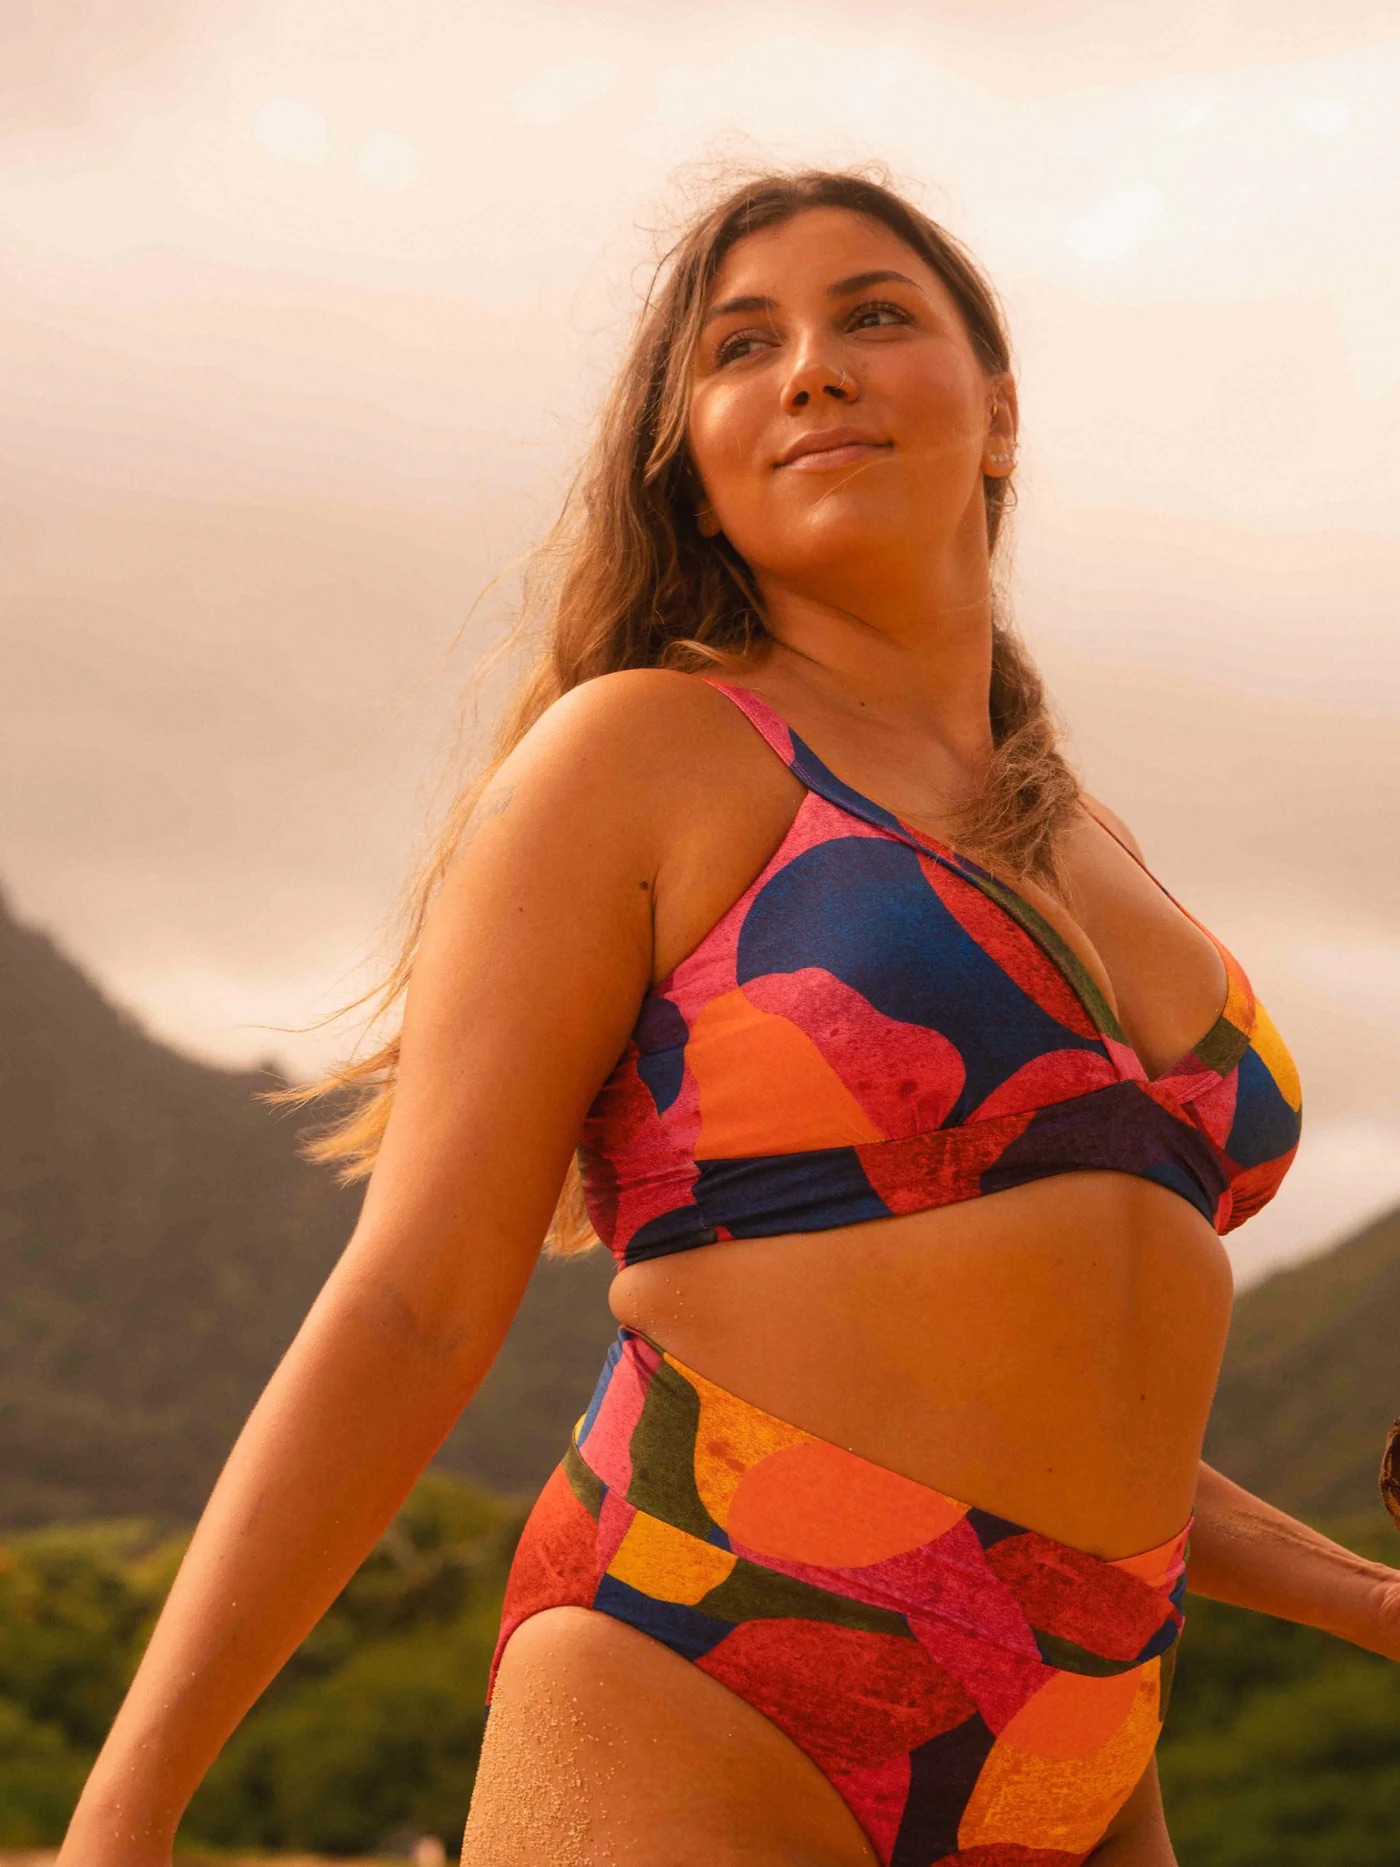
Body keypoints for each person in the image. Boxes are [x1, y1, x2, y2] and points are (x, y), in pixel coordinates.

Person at [60, 167, 1399, 1867]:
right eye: (744, 345)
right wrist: (127, 1812)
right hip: (714, 1657)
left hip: (1083, 1723)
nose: (814, 368)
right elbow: (411, 1302)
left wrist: (1367, 1601)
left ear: (999, 414)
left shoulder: (1091, 839)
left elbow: (1068, 1393)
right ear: (693, 458)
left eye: (876, 316)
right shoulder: (647, 757)